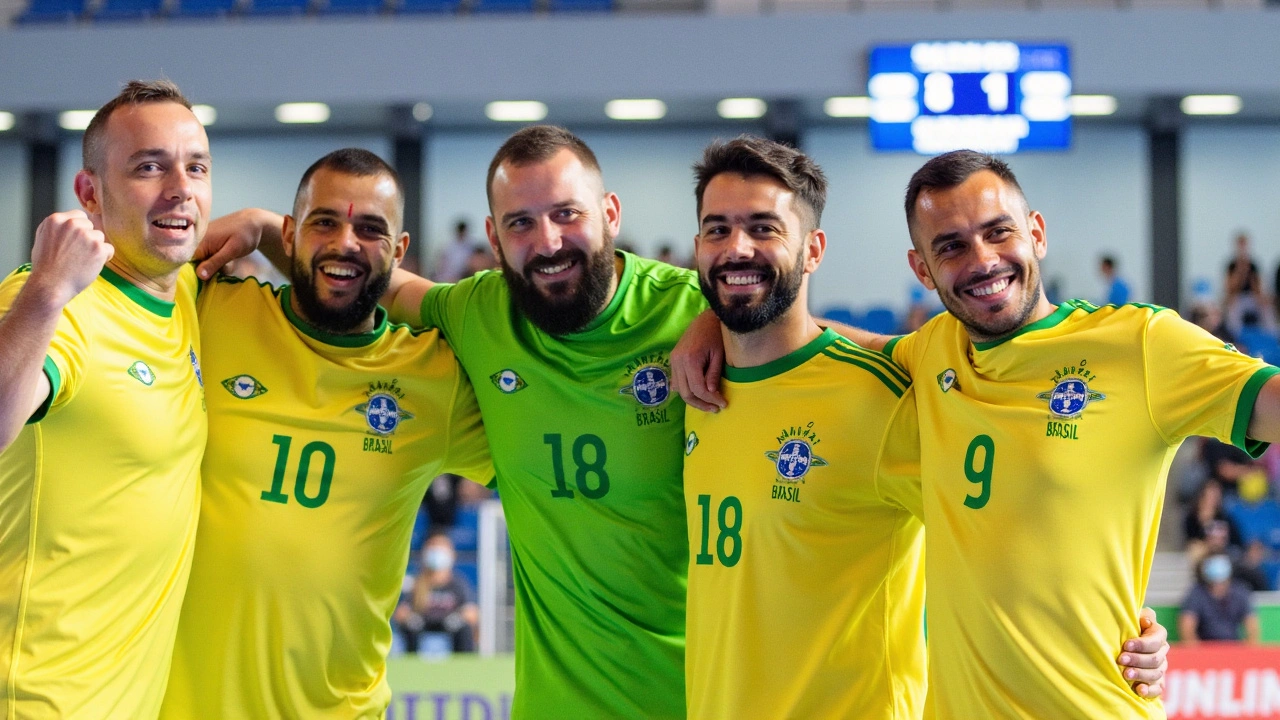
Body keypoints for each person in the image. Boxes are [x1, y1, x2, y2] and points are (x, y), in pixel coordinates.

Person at [201, 131, 1169, 718]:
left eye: (567, 216)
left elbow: (982, 477)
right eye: (522, 225)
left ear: (610, 213)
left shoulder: (702, 313)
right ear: (492, 240)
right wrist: (264, 227)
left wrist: (1114, 621)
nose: (548, 242)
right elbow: (362, 274)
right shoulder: (474, 313)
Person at [875, 150, 1280, 718]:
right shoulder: (931, 350)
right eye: (951, 246)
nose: (983, 259)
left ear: (1036, 233)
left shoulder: (1139, 344)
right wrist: (715, 329)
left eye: (999, 232)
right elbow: (824, 347)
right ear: (922, 269)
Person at [160, 149, 491, 719]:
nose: (345, 242)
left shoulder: (435, 376)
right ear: (290, 234)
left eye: (370, 228)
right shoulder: (210, 310)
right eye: (324, 222)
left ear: (401, 251)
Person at [682, 136, 925, 719]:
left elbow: (1003, 534)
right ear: (697, 249)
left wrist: (1123, 629)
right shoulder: (696, 384)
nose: (737, 248)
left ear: (813, 249)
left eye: (764, 228)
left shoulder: (882, 395)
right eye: (717, 230)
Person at [0, 80, 209, 718]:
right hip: (37, 697)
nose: (179, 187)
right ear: (90, 194)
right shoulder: (58, 305)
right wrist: (45, 290)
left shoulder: (181, 295)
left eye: (195, 166)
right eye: (148, 167)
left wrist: (260, 226)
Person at [395, 532, 479, 654]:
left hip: (450, 625)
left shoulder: (458, 584)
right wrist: (410, 618)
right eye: (433, 547)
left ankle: (464, 664)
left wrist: (459, 618)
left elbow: (472, 612)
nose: (437, 552)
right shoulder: (416, 583)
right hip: (422, 625)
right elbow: (400, 613)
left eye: (441, 548)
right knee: (409, 628)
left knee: (464, 629)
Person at [1178, 554, 1261, 644]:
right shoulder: (1196, 593)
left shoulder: (1240, 592)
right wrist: (1197, 652)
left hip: (1233, 647)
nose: (1219, 586)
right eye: (1215, 582)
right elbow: (1187, 626)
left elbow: (1252, 625)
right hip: (1205, 648)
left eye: (1222, 581)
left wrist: (1247, 651)